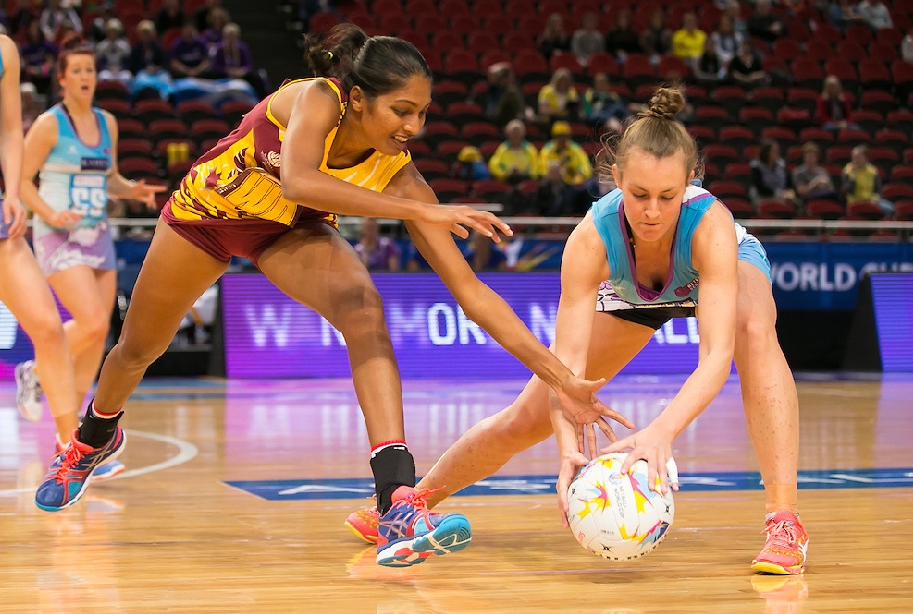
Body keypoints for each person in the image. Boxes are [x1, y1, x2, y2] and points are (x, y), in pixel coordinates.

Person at [34, 24, 621, 570]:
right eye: (402, 110)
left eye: (422, 113)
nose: (413, 127)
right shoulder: (317, 96)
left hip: (288, 232)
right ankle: (94, 436)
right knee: (137, 349)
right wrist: (420, 209)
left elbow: (471, 293)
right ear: (360, 98)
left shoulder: (399, 172)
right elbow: (298, 180)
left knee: (363, 310)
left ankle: (396, 497)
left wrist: (560, 379)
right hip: (205, 217)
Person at [346, 87, 809, 576]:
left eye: (668, 197)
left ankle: (784, 521)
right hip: (636, 293)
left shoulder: (710, 224)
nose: (652, 210)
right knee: (526, 418)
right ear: (616, 178)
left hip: (719, 269)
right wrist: (567, 448)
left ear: (690, 182)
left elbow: (716, 358)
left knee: (754, 331)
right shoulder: (590, 238)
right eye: (639, 195)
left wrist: (661, 432)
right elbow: (563, 371)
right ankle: (405, 507)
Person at [18, 38, 165, 482]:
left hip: (98, 234)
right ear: (60, 78)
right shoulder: (47, 125)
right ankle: (37, 371)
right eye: (76, 70)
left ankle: (76, 443)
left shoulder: (108, 123)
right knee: (92, 322)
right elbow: (23, 183)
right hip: (57, 234)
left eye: (90, 70)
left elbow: (109, 177)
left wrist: (130, 190)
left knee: (99, 333)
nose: (86, 77)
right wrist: (49, 213)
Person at [0, 29, 85, 472]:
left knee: (48, 327)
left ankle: (72, 450)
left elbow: (9, 128)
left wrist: (12, 190)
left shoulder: (1, 49)